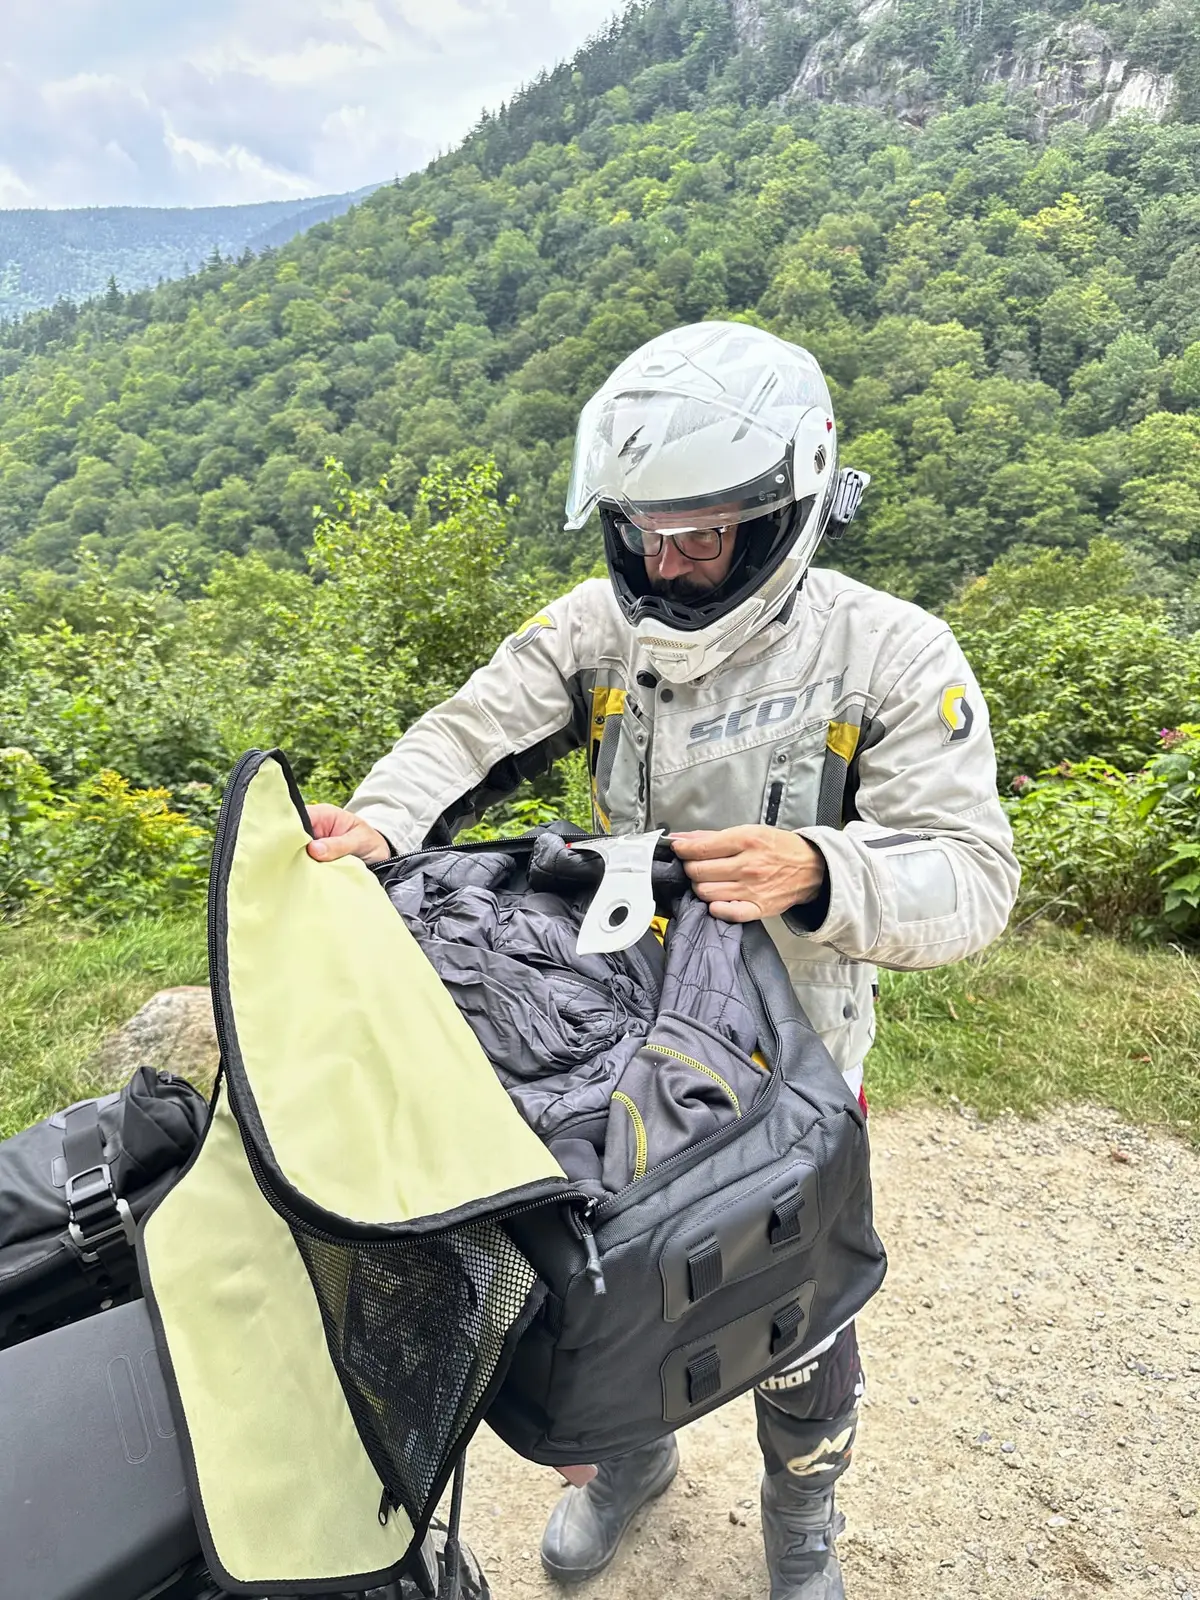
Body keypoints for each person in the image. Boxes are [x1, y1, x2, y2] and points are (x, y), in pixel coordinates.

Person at [305, 321, 1020, 1600]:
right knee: (610, 1285)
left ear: (790, 508)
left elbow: (975, 875)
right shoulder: (600, 629)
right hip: (617, 1035)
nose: (668, 560)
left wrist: (824, 871)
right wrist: (383, 820)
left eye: (705, 533)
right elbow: (471, 729)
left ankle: (803, 1522)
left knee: (798, 1314)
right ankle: (631, 1463)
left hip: (790, 1058)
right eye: (642, 529)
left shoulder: (889, 654)